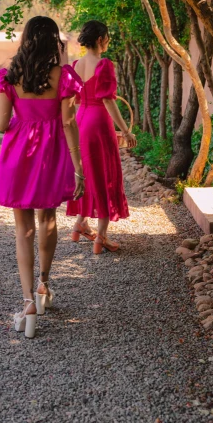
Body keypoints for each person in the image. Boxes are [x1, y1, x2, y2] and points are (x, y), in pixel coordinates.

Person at [0, 16, 84, 339]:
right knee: (48, 220)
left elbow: (0, 124)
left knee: (22, 230)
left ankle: (28, 302)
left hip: (18, 158)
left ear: (26, 39)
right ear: (54, 41)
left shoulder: (11, 76)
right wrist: (78, 166)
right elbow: (69, 122)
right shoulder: (63, 77)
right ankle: (43, 285)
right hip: (50, 158)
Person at [67, 20, 136, 254]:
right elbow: (108, 100)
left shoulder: (76, 65)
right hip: (99, 122)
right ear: (99, 39)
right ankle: (101, 237)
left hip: (82, 120)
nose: (108, 42)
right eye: (107, 38)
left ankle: (80, 223)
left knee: (86, 173)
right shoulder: (104, 64)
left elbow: (74, 100)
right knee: (104, 174)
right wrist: (126, 130)